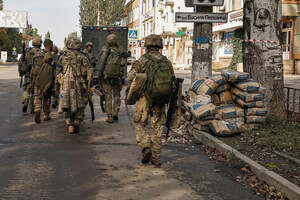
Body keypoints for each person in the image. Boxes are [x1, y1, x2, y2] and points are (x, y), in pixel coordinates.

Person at [127, 34, 175, 167]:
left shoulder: (143, 60)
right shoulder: (166, 61)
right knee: (157, 129)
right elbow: (173, 80)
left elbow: (130, 76)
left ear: (146, 46)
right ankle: (157, 158)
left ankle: (145, 147)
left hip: (145, 99)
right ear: (160, 46)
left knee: (139, 123)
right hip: (161, 100)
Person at [58, 37, 93, 134]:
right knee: (81, 101)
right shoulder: (82, 57)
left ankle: (69, 123)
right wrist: (88, 84)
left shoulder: (62, 57)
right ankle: (78, 119)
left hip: (65, 84)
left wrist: (58, 85)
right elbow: (89, 69)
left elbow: (58, 70)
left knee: (67, 100)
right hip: (79, 83)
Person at [93, 34, 129, 123]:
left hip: (107, 78)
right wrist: (119, 45)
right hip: (118, 77)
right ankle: (115, 112)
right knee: (117, 95)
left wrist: (97, 76)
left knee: (108, 97)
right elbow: (126, 54)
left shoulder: (105, 49)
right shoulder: (120, 49)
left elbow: (101, 64)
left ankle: (109, 117)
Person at [34, 39, 55, 123]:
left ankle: (37, 110)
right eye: (52, 44)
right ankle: (46, 115)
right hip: (47, 79)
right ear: (49, 45)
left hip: (37, 78)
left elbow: (33, 66)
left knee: (38, 96)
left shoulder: (37, 54)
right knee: (47, 97)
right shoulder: (51, 55)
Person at [19, 37, 42, 113]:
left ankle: (25, 102)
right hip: (37, 74)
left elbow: (21, 62)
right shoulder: (41, 53)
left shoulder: (28, 51)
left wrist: (21, 71)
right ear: (40, 44)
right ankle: (33, 107)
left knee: (27, 89)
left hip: (28, 73)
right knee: (35, 91)